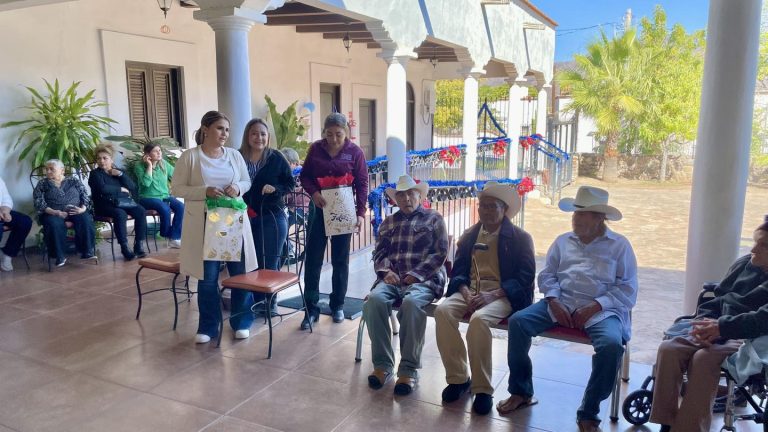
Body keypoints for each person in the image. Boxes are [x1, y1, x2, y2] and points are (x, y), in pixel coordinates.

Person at [498, 186, 637, 432]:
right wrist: (553, 299)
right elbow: (548, 275)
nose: (575, 218)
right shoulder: (563, 241)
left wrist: (595, 306)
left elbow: (627, 290)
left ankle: (589, 411)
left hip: (602, 311)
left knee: (611, 346)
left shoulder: (620, 246)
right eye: (575, 213)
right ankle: (521, 392)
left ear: (599, 218)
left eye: (582, 213)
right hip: (560, 303)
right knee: (519, 322)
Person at [649, 218, 768, 432]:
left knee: (703, 359)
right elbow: (717, 298)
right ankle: (665, 422)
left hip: (750, 337)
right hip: (718, 326)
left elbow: (761, 320)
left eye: (763, 245)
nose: (753, 248)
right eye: (755, 241)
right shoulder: (744, 264)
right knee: (669, 349)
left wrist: (720, 328)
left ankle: (689, 429)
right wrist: (704, 322)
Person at [434, 181, 535, 415]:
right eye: (483, 206)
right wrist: (466, 291)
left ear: (505, 209)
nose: (486, 211)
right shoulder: (469, 235)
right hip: (471, 290)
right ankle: (459, 378)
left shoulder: (520, 238)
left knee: (479, 321)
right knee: (443, 312)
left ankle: (482, 389)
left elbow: (526, 277)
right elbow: (458, 271)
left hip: (503, 293)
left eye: (492, 206)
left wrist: (494, 294)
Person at [171, 110, 258, 344]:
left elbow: (246, 181)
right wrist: (204, 191)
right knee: (207, 277)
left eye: (227, 130)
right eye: (220, 128)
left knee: (240, 273)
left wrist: (238, 188)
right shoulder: (190, 157)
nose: (224, 134)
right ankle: (208, 326)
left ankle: (242, 321)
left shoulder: (234, 156)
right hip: (204, 225)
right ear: (206, 129)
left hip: (232, 222)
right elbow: (176, 189)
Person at [364, 175, 448, 395]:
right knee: (374, 301)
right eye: (401, 195)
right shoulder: (388, 222)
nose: (407, 198)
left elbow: (440, 253)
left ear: (420, 196)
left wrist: (416, 274)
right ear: (396, 199)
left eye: (411, 193)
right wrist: (385, 271)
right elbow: (379, 253)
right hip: (392, 277)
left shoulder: (434, 218)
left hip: (426, 278)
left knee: (411, 304)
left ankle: (408, 370)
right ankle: (383, 366)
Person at [298, 112, 368, 329]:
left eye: (338, 134)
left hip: (344, 209)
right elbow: (305, 176)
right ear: (324, 133)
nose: (334, 139)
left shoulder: (355, 153)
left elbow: (362, 183)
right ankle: (311, 308)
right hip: (319, 208)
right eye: (329, 134)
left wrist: (360, 213)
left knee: (340, 260)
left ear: (346, 133)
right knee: (313, 260)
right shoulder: (316, 149)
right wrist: (314, 193)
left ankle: (337, 304)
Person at [240, 118, 295, 315]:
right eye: (254, 133)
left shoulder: (276, 158)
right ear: (247, 135)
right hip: (245, 217)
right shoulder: (238, 157)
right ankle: (255, 301)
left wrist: (276, 189)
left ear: (268, 137)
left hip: (272, 217)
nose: (259, 137)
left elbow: (290, 183)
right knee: (251, 262)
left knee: (270, 262)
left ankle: (269, 301)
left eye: (263, 134)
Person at [88, 142, 147, 261]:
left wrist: (120, 175)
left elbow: (132, 186)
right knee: (120, 214)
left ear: (111, 159)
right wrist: (119, 189)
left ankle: (138, 245)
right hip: (104, 205)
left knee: (140, 210)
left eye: (105, 158)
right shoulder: (95, 174)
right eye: (99, 159)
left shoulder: (118, 171)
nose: (102, 161)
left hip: (122, 203)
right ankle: (124, 247)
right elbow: (102, 189)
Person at [33, 159, 97, 266]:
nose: (48, 171)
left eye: (51, 169)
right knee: (54, 224)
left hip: (75, 210)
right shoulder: (42, 183)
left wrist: (82, 209)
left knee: (85, 219)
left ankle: (87, 251)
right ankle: (59, 256)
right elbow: (38, 202)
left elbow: (85, 196)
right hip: (52, 213)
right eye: (47, 169)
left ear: (62, 170)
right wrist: (54, 212)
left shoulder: (73, 180)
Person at [134, 141, 184, 248]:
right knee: (165, 208)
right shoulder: (139, 166)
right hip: (147, 198)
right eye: (155, 151)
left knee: (181, 206)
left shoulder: (164, 164)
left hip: (164, 196)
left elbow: (177, 176)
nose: (159, 153)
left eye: (159, 150)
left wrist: (174, 187)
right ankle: (166, 235)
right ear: (147, 154)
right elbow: (146, 183)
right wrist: (149, 166)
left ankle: (174, 237)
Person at [0, 176, 32, 271]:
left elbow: (6, 198)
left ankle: (7, 255)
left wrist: (6, 211)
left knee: (24, 222)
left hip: (2, 211)